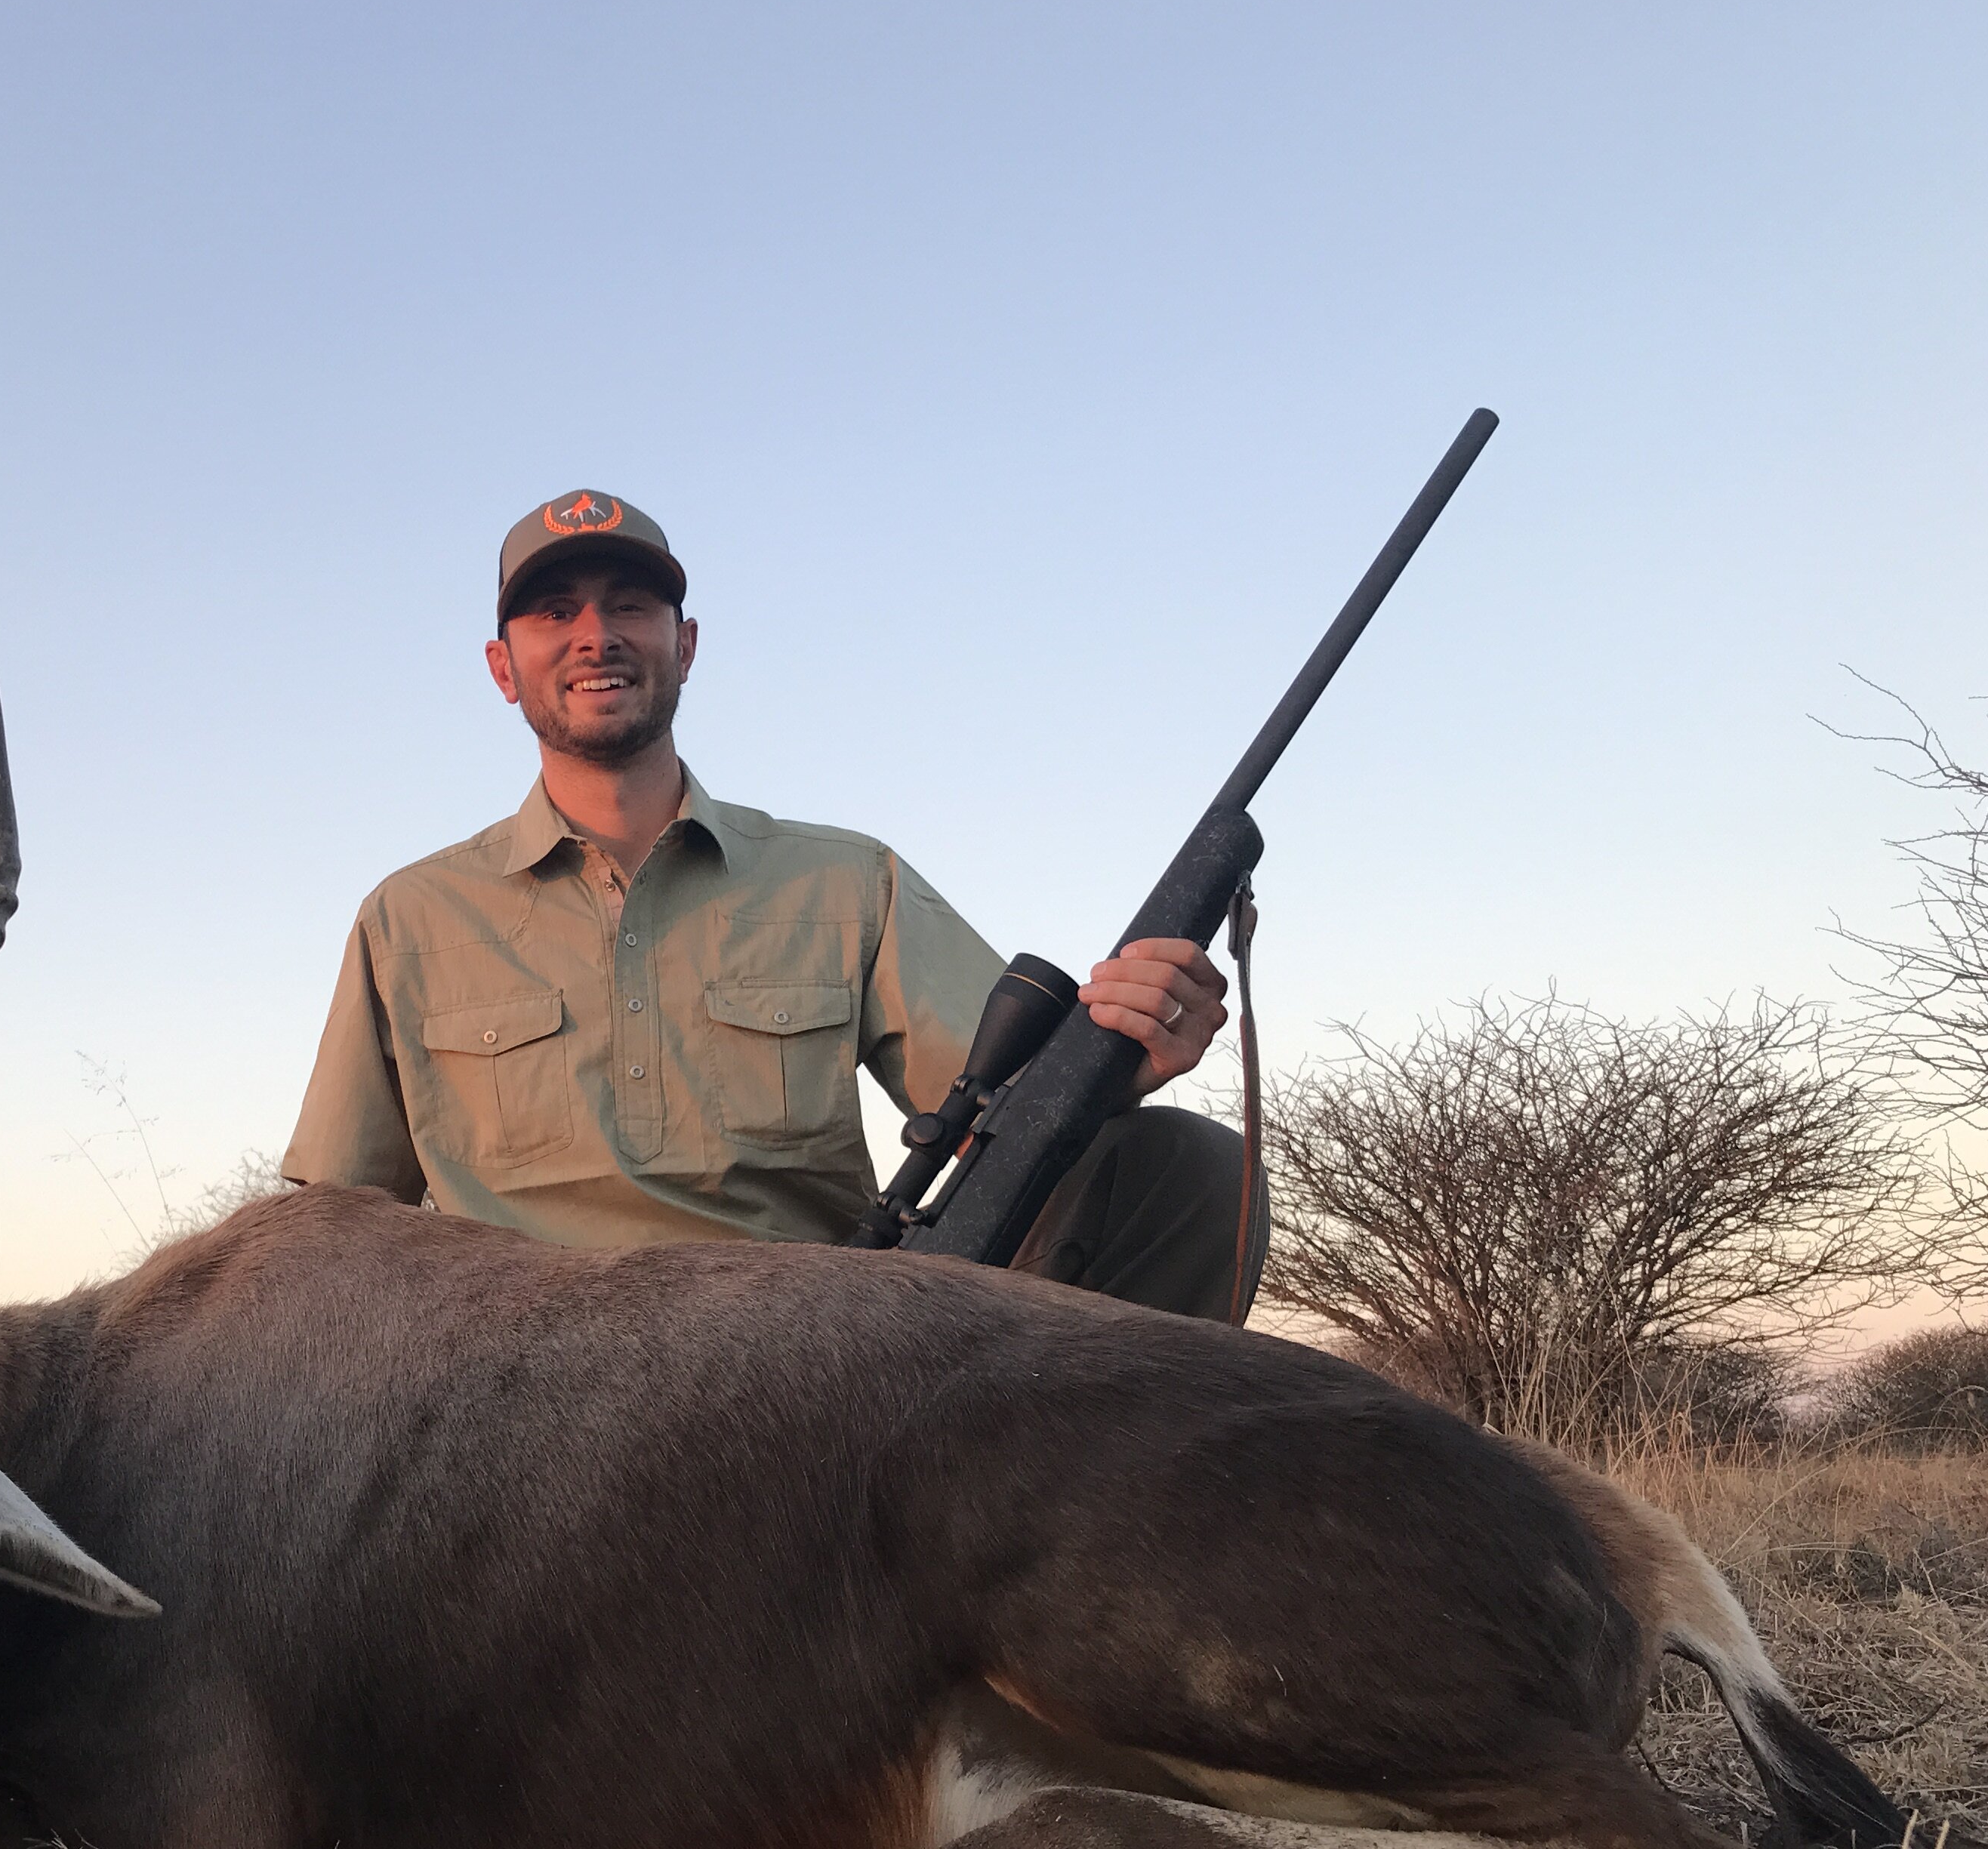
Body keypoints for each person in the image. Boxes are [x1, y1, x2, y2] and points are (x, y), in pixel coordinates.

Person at [282, 488, 1262, 1318]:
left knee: (1184, 1168)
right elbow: (329, 1224)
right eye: (554, 613)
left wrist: (1124, 1056)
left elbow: (998, 1123)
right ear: (504, 667)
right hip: (518, 1368)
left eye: (631, 605)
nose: (597, 635)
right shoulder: (406, 917)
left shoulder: (846, 880)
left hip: (807, 1346)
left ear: (686, 643)